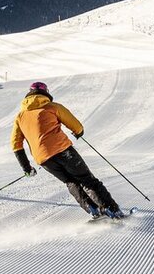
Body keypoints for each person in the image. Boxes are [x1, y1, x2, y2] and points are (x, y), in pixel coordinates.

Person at [10, 81, 125, 219]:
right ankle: (111, 209)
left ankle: (93, 209)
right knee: (86, 179)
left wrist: (26, 167)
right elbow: (76, 125)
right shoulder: (52, 106)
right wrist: (78, 132)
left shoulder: (20, 117)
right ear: (46, 92)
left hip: (44, 159)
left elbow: (16, 144)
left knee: (71, 182)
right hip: (63, 150)